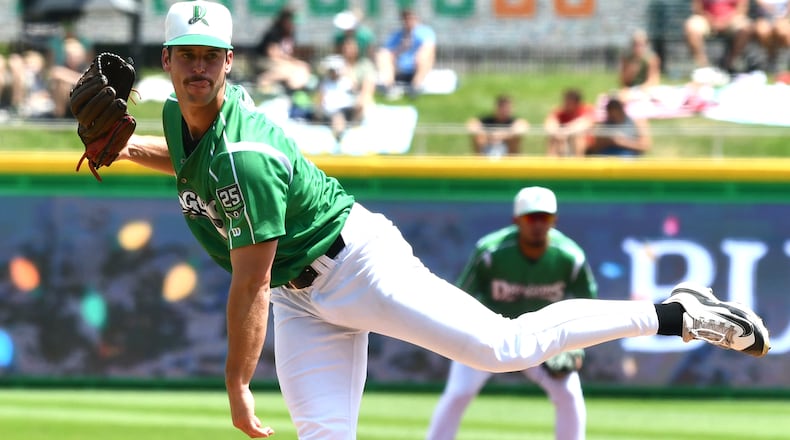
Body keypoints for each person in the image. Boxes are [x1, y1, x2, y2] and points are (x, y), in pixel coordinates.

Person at [110, 2, 770, 438]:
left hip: (354, 265)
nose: (197, 66)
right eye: (185, 53)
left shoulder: (246, 152)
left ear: (229, 61)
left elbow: (247, 285)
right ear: (165, 61)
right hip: (298, 293)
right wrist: (123, 147)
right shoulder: (176, 115)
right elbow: (193, 163)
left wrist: (236, 385)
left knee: (501, 347)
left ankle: (674, 314)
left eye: (209, 55)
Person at [426, 187, 595, 440]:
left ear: (554, 220)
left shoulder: (570, 257)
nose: (538, 225)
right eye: (530, 218)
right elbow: (461, 298)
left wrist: (574, 347)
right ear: (516, 221)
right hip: (488, 332)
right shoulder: (490, 252)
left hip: (542, 336)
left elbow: (587, 306)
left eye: (544, 218)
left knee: (569, 394)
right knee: (458, 393)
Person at [313, 36, 376, 140]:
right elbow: (320, 99)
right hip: (330, 111)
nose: (333, 72)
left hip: (346, 109)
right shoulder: (325, 83)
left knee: (344, 115)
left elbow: (358, 91)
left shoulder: (346, 80)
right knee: (336, 118)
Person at [375, 8, 436, 98]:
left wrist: (417, 53)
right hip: (399, 68)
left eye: (410, 17)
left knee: (423, 56)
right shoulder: (397, 35)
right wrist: (402, 47)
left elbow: (429, 48)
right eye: (405, 18)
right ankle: (388, 86)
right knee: (382, 55)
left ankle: (415, 86)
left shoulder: (425, 32)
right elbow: (387, 52)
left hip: (418, 66)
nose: (408, 20)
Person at [255, 7, 312, 94]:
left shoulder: (291, 34)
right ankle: (264, 81)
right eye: (292, 22)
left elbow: (288, 54)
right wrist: (294, 62)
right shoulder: (274, 32)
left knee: (302, 69)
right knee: (288, 69)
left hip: (280, 62)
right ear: (285, 20)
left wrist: (296, 63)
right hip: (263, 60)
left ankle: (293, 92)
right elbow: (273, 54)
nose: (294, 25)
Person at [684, 0, 752, 73]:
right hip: (706, 19)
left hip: (732, 19)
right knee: (691, 26)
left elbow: (742, 8)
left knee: (745, 27)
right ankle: (704, 67)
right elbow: (697, 8)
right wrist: (712, 20)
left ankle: (729, 65)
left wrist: (725, 21)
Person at [585, 98, 651, 157]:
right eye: (609, 111)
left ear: (621, 110)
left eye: (614, 110)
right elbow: (593, 150)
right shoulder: (603, 126)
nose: (612, 115)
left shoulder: (636, 123)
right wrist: (606, 141)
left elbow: (645, 146)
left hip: (626, 160)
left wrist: (621, 141)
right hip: (605, 159)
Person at [544, 89, 596, 157]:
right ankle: (551, 164)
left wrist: (565, 132)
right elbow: (549, 123)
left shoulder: (587, 109)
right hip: (562, 141)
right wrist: (557, 133)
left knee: (577, 137)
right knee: (553, 138)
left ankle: (577, 165)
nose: (566, 103)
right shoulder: (560, 111)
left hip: (587, 144)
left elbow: (585, 123)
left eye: (569, 101)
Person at [619, 29, 662, 95]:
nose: (638, 47)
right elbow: (623, 82)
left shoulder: (651, 59)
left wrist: (641, 88)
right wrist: (630, 71)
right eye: (635, 44)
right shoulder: (627, 59)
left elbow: (654, 80)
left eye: (640, 44)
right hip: (630, 91)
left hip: (646, 91)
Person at [753, 0, 790, 72]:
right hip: (764, 18)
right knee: (762, 31)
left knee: (781, 30)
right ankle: (771, 59)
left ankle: (783, 62)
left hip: (784, 19)